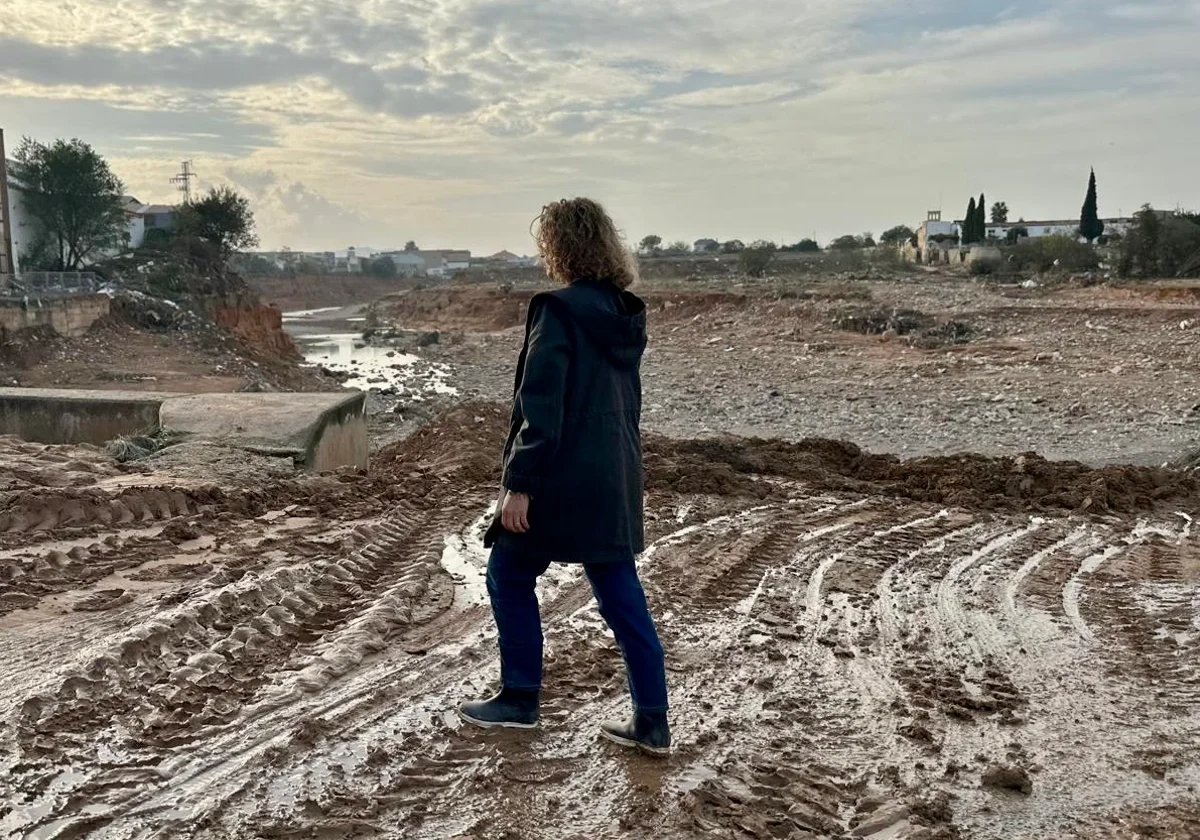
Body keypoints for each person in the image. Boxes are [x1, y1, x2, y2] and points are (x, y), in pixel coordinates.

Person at [457, 198, 670, 756]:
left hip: (560, 474)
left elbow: (541, 404)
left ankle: (519, 699)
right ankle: (653, 721)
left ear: (559, 246)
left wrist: (519, 483)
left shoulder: (556, 309)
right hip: (615, 473)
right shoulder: (626, 313)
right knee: (622, 596)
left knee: (507, 570)